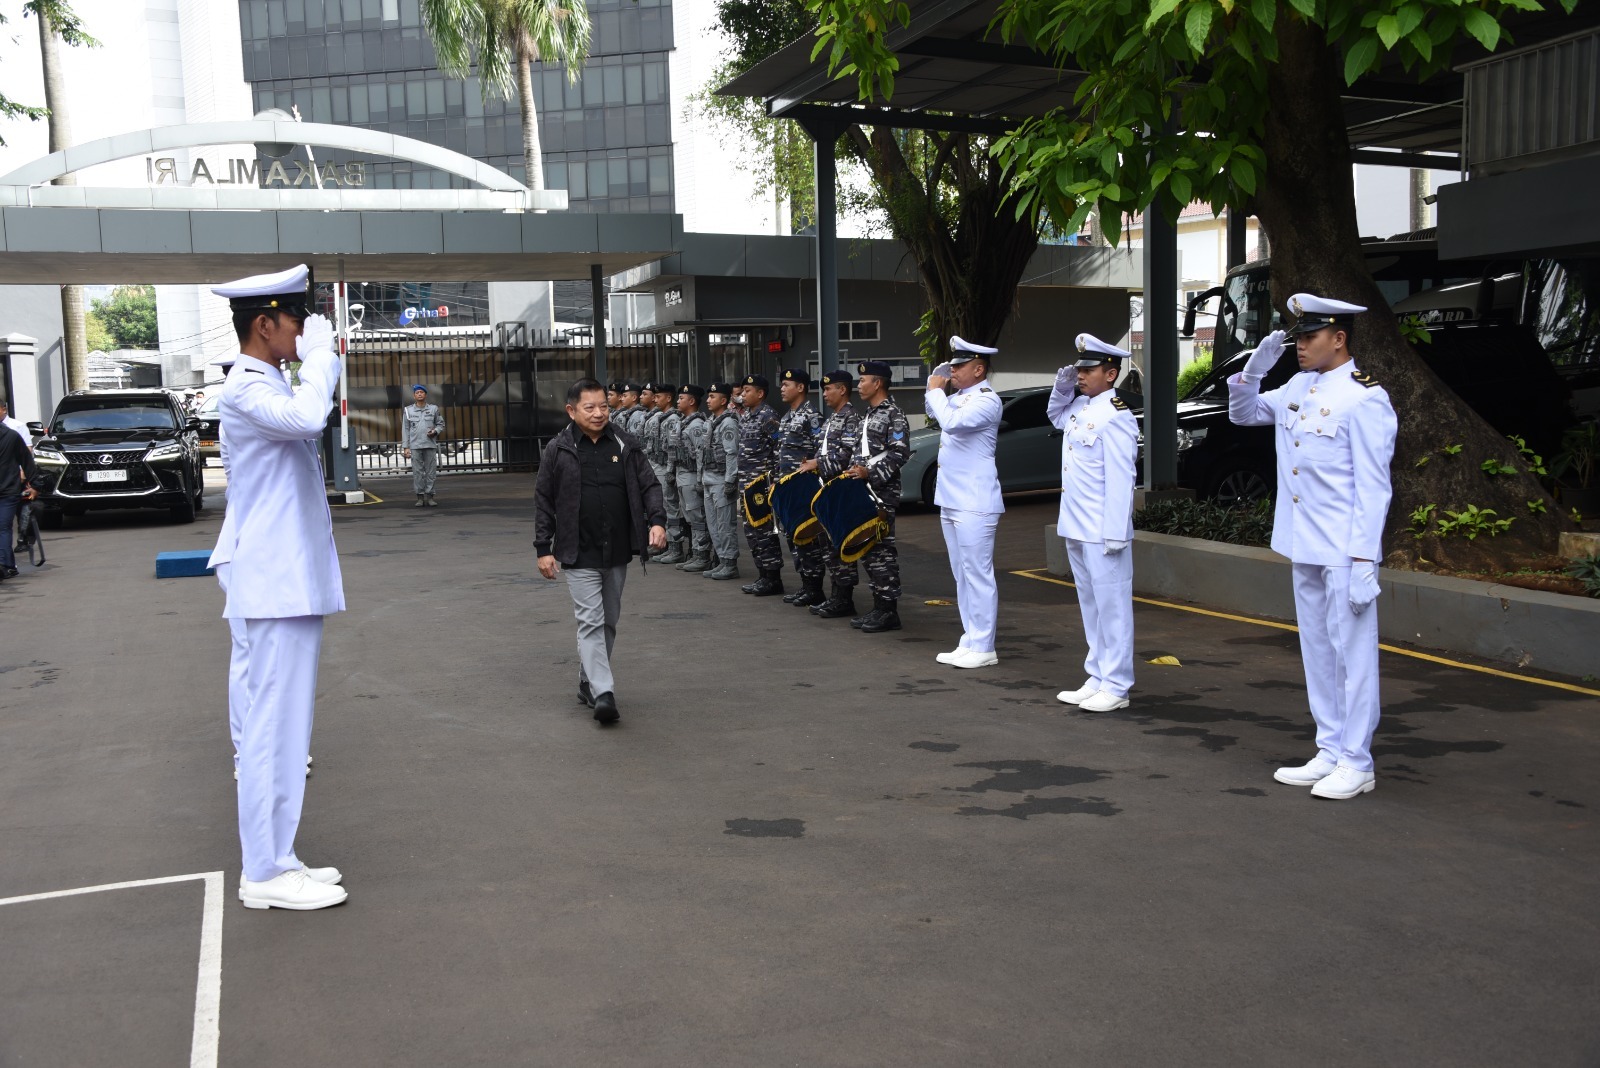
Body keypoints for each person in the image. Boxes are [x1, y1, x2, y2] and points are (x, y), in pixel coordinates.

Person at [207, 263, 348, 910]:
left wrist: (311, 356)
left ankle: (279, 856)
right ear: (264, 324)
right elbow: (307, 417)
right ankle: (263, 870)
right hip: (273, 582)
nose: (304, 332)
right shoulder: (246, 389)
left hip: (284, 580)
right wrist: (322, 358)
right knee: (273, 730)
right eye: (296, 322)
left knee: (286, 729)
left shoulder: (265, 381)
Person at [1228, 293, 1397, 800]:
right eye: (1297, 337)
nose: (1299, 346)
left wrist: (1366, 558)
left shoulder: (1366, 398)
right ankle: (1329, 748)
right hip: (1303, 541)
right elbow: (1244, 414)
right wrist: (1253, 374)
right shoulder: (1299, 386)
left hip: (1345, 548)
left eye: (1309, 337)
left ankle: (1357, 760)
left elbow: (1374, 486)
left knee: (1353, 655)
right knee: (1318, 650)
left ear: (1338, 338)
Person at [534, 378, 668, 726]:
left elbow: (649, 484)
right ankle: (603, 693)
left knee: (608, 621)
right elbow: (544, 500)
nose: (598, 413)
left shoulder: (625, 443)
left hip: (618, 548)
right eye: (589, 407)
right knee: (590, 621)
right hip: (577, 551)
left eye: (603, 407)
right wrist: (542, 548)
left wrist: (656, 521)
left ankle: (587, 680)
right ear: (571, 411)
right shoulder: (558, 449)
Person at [1049, 334, 1139, 713]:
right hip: (1076, 524)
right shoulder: (1080, 407)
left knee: (1113, 607)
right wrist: (1062, 385)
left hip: (1103, 529)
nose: (1081, 375)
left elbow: (1122, 478)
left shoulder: (1116, 415)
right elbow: (1055, 414)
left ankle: (1117, 684)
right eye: (1079, 369)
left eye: (1088, 370)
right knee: (1091, 605)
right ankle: (1098, 674)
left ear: (1111, 373)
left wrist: (1116, 531)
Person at [926, 337, 1005, 668]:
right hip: (953, 498)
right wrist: (935, 389)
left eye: (958, 366)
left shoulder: (988, 401)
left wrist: (935, 391)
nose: (952, 371)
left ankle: (985, 645)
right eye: (952, 365)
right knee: (962, 573)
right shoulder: (958, 397)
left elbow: (952, 424)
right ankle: (971, 638)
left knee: (978, 573)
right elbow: (934, 412)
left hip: (975, 500)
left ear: (979, 368)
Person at [847, 361, 912, 633]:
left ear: (878, 383)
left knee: (882, 550)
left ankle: (888, 611)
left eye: (863, 380)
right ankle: (878, 607)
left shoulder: (893, 414)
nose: (858, 385)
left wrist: (869, 474)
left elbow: (900, 453)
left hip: (881, 492)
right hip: (864, 491)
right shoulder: (869, 414)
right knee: (869, 549)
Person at [798, 369, 863, 619]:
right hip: (826, 489)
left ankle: (844, 598)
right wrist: (813, 461)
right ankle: (836, 595)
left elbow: (846, 456)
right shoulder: (831, 419)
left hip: (840, 489)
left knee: (839, 544)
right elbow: (823, 450)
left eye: (828, 388)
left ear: (843, 390)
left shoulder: (851, 418)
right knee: (828, 545)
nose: (824, 393)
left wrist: (818, 463)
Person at [773, 368, 827, 607]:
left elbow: (820, 451)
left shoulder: (811, 416)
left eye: (786, 384)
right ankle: (806, 584)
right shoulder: (786, 417)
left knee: (808, 537)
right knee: (793, 537)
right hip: (788, 488)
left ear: (801, 387)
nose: (782, 389)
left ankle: (815, 588)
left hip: (804, 488)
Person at [737, 374, 785, 596]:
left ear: (760, 393)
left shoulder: (768, 416)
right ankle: (762, 575)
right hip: (746, 483)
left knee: (764, 531)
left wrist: (774, 479)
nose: (742, 394)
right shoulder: (747, 416)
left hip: (761, 484)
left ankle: (773, 577)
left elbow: (779, 449)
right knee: (751, 531)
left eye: (747, 390)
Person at [700, 382, 742, 581]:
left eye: (712, 397)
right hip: (708, 478)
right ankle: (721, 560)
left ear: (723, 400)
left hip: (721, 479)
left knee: (725, 524)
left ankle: (729, 563)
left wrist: (730, 480)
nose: (708, 400)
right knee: (713, 523)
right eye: (708, 397)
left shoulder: (728, 423)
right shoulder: (711, 421)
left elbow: (731, 453)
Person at [673, 384, 713, 572]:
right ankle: (695, 552)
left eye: (681, 398)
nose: (677, 401)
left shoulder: (696, 425)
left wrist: (699, 479)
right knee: (689, 516)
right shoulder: (685, 422)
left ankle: (702, 554)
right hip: (682, 474)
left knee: (697, 516)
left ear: (691, 401)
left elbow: (700, 455)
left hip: (690, 475)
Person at [0, 419, 40, 582]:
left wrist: (35, 484)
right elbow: (26, 460)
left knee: (3, 527)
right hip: (9, 489)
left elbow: (26, 460)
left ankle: (5, 565)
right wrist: (35, 484)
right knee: (3, 527)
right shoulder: (11, 435)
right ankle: (7, 565)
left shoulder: (12, 435)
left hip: (8, 490)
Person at [401, 384, 445, 508]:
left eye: (422, 392)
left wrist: (435, 431)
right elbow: (405, 429)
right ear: (414, 396)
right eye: (417, 392)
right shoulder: (408, 410)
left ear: (425, 395)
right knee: (417, 473)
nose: (419, 394)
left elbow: (440, 424)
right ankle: (420, 497)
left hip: (429, 445)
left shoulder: (433, 409)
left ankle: (430, 496)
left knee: (431, 472)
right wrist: (406, 447)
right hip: (415, 446)